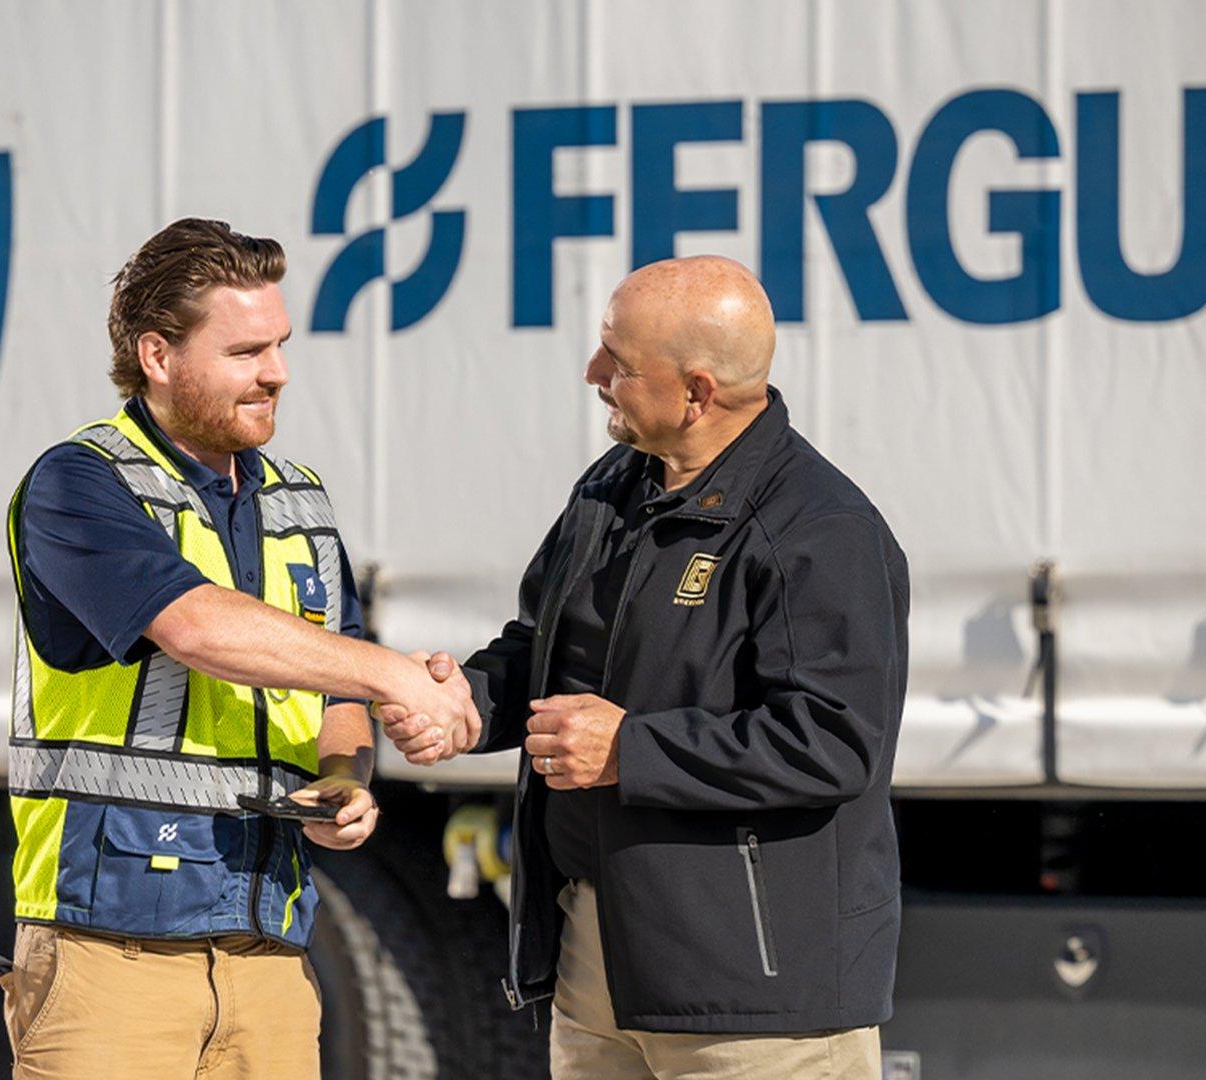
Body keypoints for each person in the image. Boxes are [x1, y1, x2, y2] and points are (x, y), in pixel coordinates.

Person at [384, 256, 909, 1079]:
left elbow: (835, 741)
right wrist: (466, 706)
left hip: (756, 1001)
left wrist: (634, 751)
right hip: (599, 961)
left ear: (697, 392)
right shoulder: (613, 486)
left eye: (618, 363)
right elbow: (546, 648)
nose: (593, 375)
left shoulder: (821, 529)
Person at [0, 218, 476, 1078]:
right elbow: (198, 627)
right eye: (247, 351)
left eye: (281, 346)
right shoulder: (79, 484)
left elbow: (337, 680)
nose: (278, 373)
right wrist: (404, 677)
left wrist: (347, 775)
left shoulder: (300, 499)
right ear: (158, 355)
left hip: (269, 952)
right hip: (112, 948)